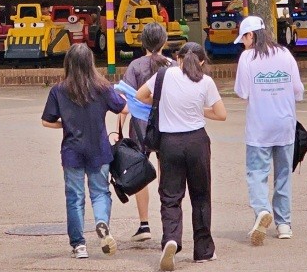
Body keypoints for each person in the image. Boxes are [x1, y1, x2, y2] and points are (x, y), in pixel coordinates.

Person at [137, 42, 227, 269]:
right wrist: (199, 110)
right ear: (202, 61)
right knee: (201, 196)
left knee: (170, 196)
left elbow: (140, 96)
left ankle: (171, 240)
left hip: (170, 143)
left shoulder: (163, 76)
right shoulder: (206, 81)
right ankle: (204, 250)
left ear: (177, 58)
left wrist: (161, 103)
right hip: (197, 141)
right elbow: (221, 114)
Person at [41, 43, 125, 260]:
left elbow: (46, 121)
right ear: (91, 63)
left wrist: (65, 125)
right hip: (99, 150)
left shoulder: (59, 90)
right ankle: (101, 222)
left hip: (72, 151)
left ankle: (79, 246)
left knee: (74, 197)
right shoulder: (103, 88)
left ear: (68, 62)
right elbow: (123, 108)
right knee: (100, 192)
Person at [232, 15, 303, 245]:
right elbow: (297, 89)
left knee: (257, 173)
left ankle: (262, 211)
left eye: (243, 38)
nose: (242, 43)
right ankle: (284, 224)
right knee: (283, 175)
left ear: (251, 35)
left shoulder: (247, 58)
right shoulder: (285, 54)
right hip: (285, 125)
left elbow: (242, 92)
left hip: (259, 128)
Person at [117, 23, 169, 243]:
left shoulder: (135, 66)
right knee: (167, 175)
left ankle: (144, 224)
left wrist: (118, 131)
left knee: (141, 173)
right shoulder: (172, 65)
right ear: (164, 41)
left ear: (142, 43)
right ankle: (170, 223)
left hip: (139, 127)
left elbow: (124, 101)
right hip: (167, 125)